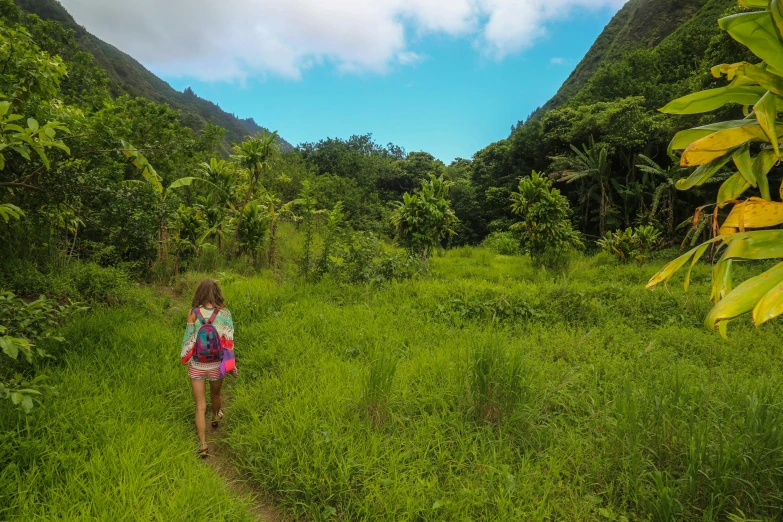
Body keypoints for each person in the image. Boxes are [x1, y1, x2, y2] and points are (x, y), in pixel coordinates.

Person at [180, 279, 236, 458]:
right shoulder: (225, 313)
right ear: (217, 292)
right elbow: (228, 343)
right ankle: (215, 417)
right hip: (216, 365)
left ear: (199, 293)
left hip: (197, 364)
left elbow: (188, 339)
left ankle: (203, 445)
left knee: (199, 406)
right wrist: (231, 366)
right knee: (216, 395)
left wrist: (185, 358)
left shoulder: (193, 313)